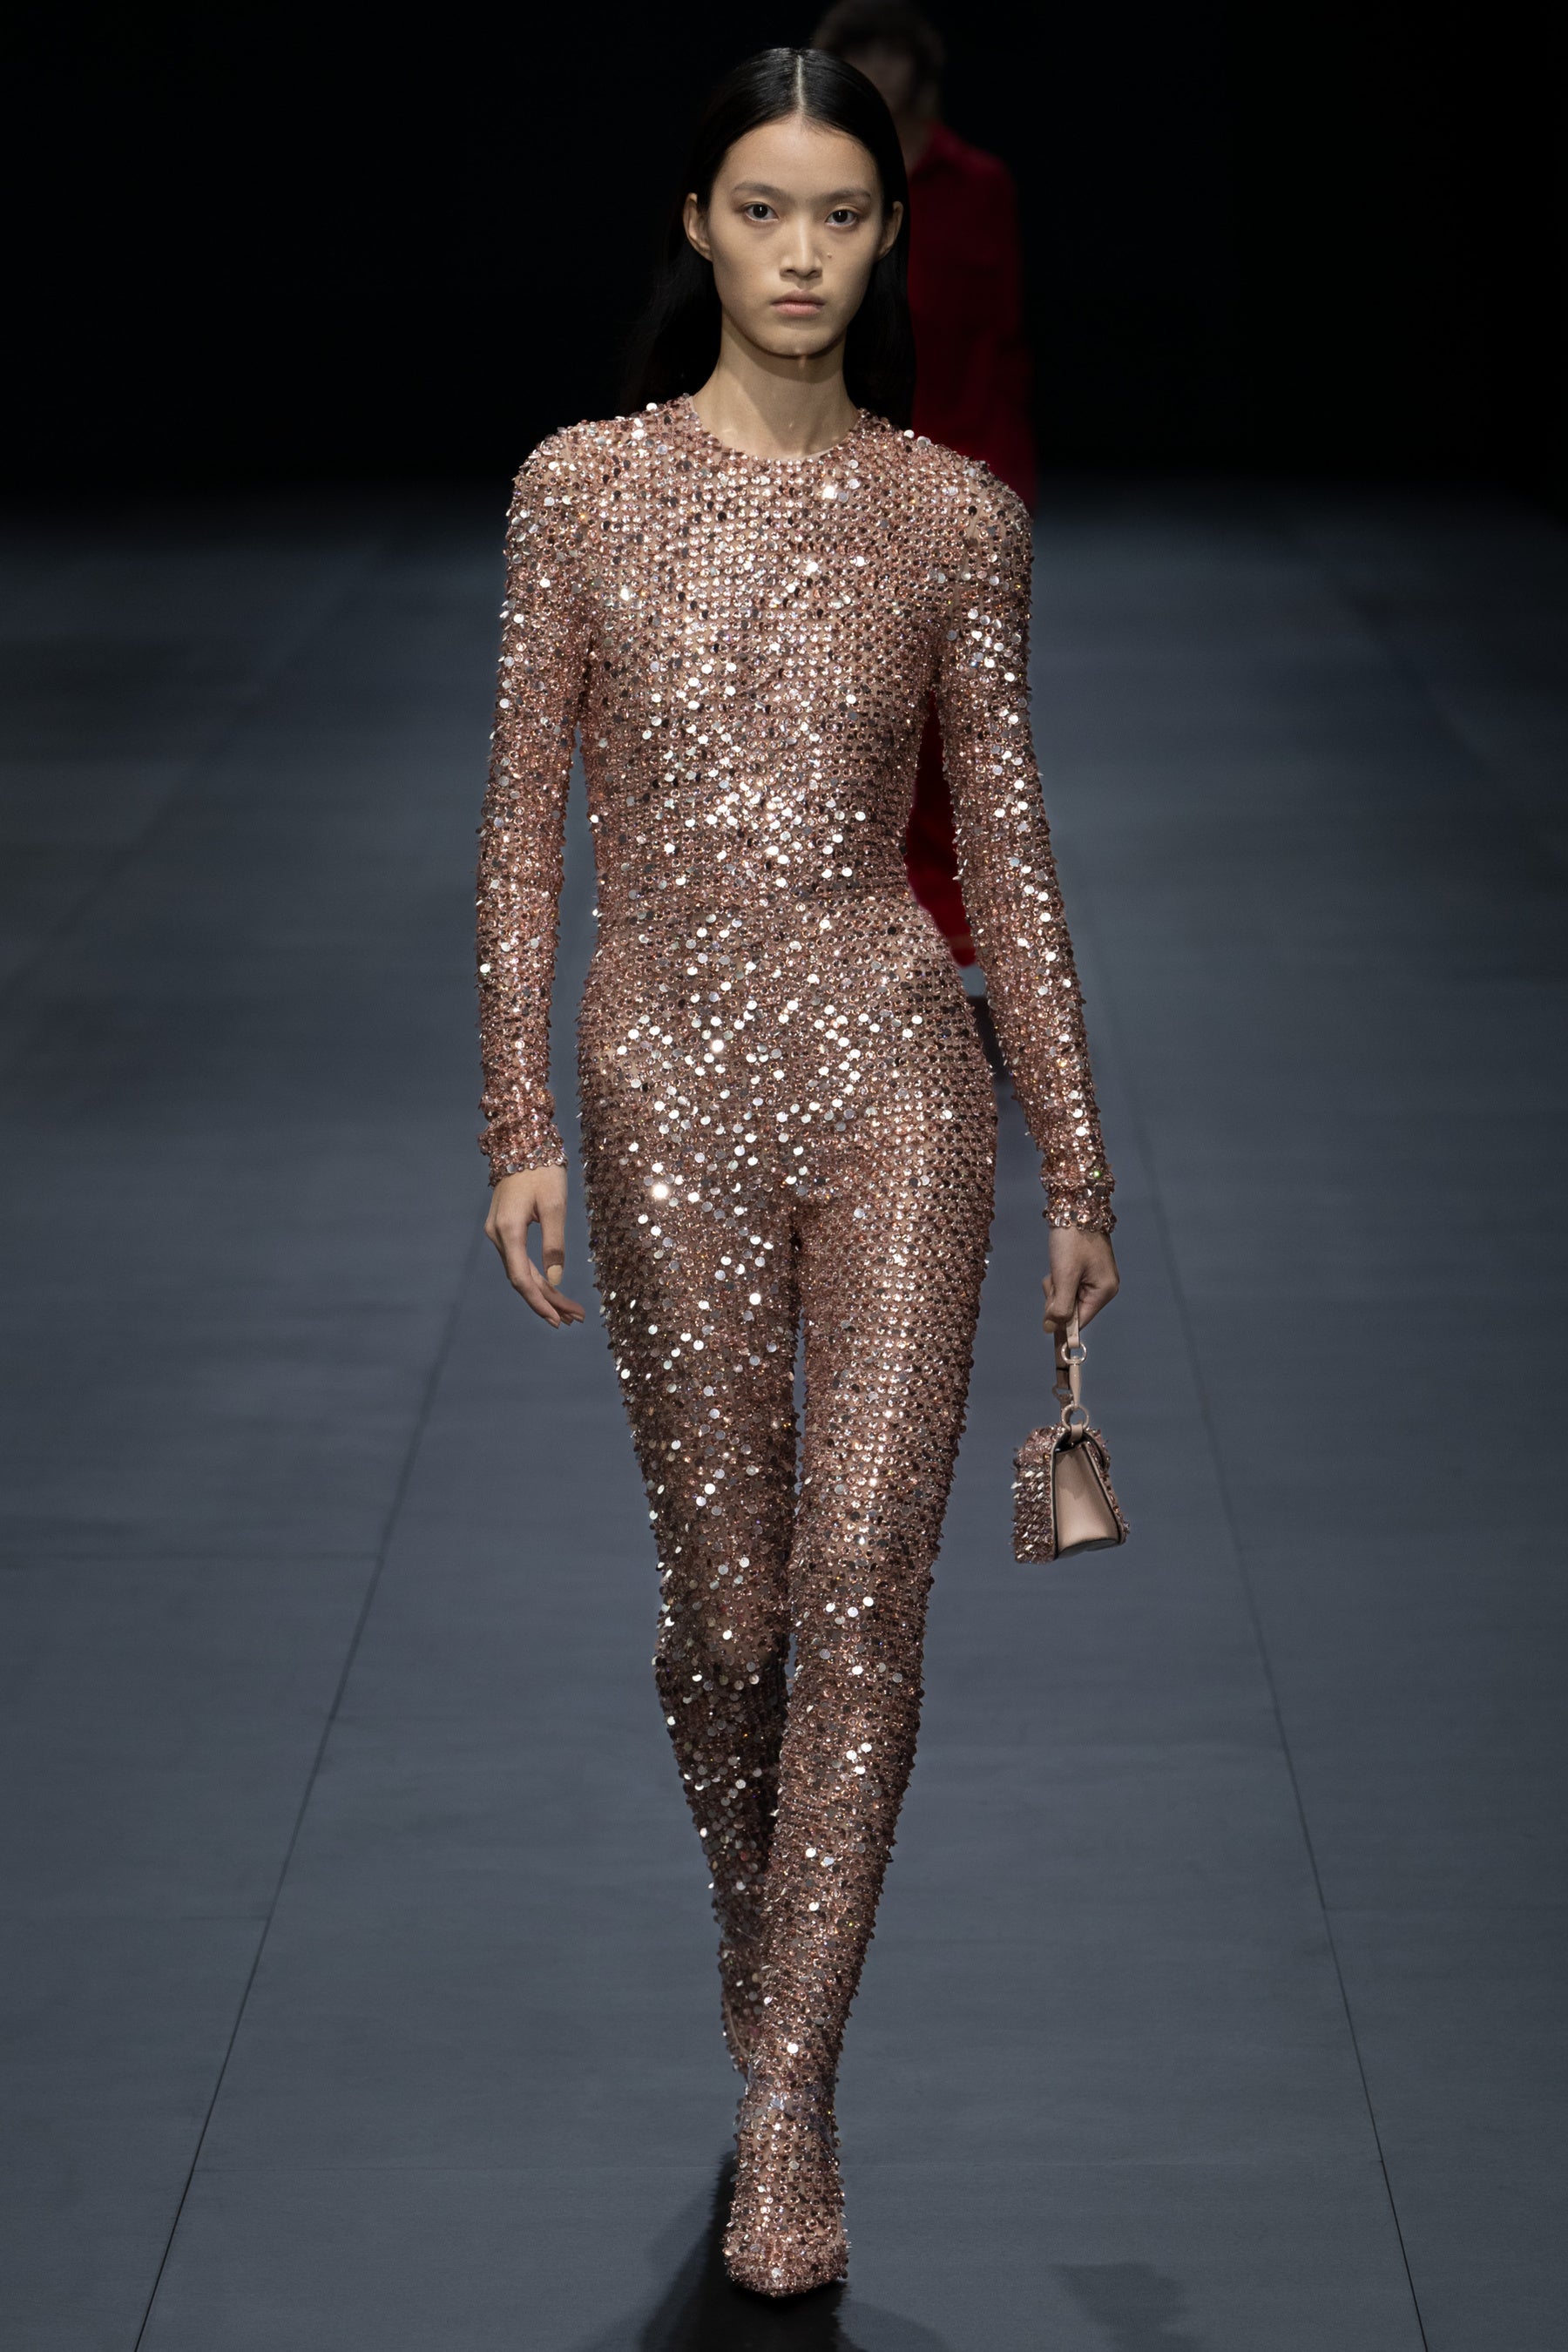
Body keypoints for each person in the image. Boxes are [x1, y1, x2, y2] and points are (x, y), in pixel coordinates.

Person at [476, 47, 1118, 2299]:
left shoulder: (953, 521)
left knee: (862, 1582)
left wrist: (1080, 1161)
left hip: (898, 1072)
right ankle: (771, 1980)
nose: (803, 255)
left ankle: (790, 2093)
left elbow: (1009, 855)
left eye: (842, 214)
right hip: (663, 1071)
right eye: (763, 210)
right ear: (697, 224)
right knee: (731, 1621)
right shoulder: (579, 492)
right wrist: (517, 1121)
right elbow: (522, 827)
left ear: (890, 236)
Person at [814, 1, 1036, 1064]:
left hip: (969, 469)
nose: (878, 68)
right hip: (849, 481)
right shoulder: (819, 185)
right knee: (855, 723)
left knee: (959, 727)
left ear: (921, 64)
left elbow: (1002, 335)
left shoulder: (978, 184)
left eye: (891, 51)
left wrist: (1006, 482)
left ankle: (959, 953)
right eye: (857, 53)